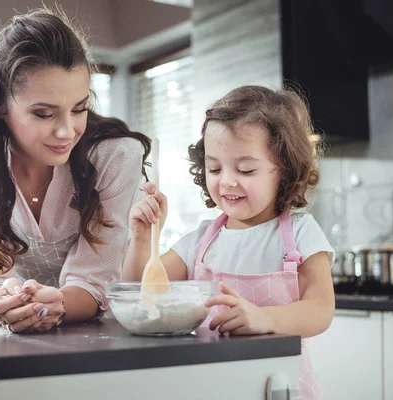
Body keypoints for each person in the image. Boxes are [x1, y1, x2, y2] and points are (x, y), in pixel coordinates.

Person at [0, 7, 151, 334]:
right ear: (0, 106)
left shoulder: (116, 155)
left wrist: (56, 306)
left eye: (79, 109)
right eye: (44, 114)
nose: (67, 131)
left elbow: (93, 281)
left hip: (94, 332)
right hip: (8, 331)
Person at [123, 85, 335, 399]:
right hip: (211, 386)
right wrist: (141, 240)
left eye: (246, 169)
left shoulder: (300, 234)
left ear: (285, 169)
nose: (227, 181)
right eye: (215, 168)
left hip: (278, 386)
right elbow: (141, 294)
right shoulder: (199, 242)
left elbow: (320, 309)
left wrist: (265, 318)